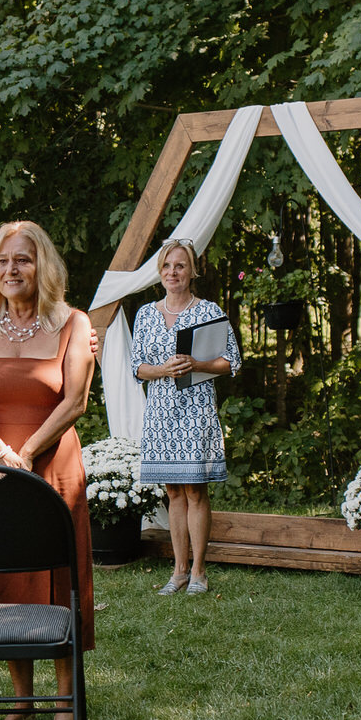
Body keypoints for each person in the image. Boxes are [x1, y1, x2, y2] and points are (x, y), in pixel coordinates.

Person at [0, 220, 94, 720]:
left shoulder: (73, 323)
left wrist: (29, 451)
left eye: (24, 259)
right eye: (4, 260)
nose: (12, 269)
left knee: (57, 576)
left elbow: (74, 399)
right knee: (7, 577)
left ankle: (64, 700)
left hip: (52, 463)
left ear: (43, 265)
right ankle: (21, 699)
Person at [130, 239, 241, 596]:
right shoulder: (146, 314)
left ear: (193, 271)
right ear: (159, 272)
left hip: (196, 409)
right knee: (172, 491)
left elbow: (231, 361)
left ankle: (198, 572)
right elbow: (138, 367)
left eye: (180, 266)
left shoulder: (209, 311)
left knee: (195, 489)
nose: (172, 272)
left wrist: (198, 364)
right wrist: (162, 369)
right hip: (160, 412)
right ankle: (177, 572)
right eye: (166, 266)